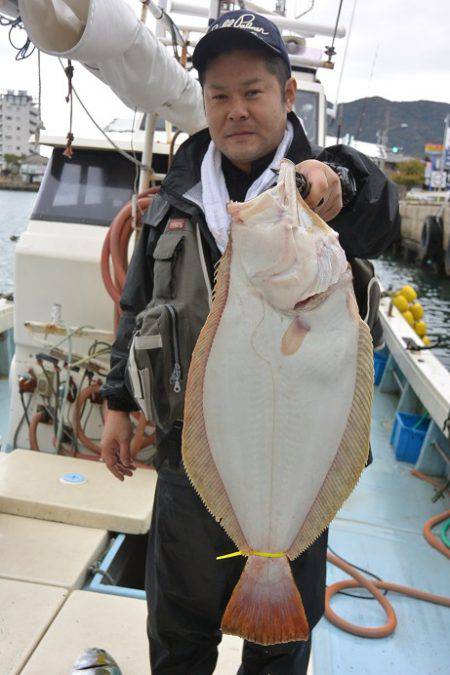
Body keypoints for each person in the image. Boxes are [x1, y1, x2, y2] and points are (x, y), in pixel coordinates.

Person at [100, 10, 400, 675]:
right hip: (190, 456)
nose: (237, 109)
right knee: (178, 630)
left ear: (288, 95)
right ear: (204, 102)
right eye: (220, 95)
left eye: (254, 91)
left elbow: (380, 211)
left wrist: (335, 184)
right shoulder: (174, 197)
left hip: (297, 460)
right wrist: (117, 400)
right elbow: (138, 305)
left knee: (279, 649)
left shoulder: (327, 190)